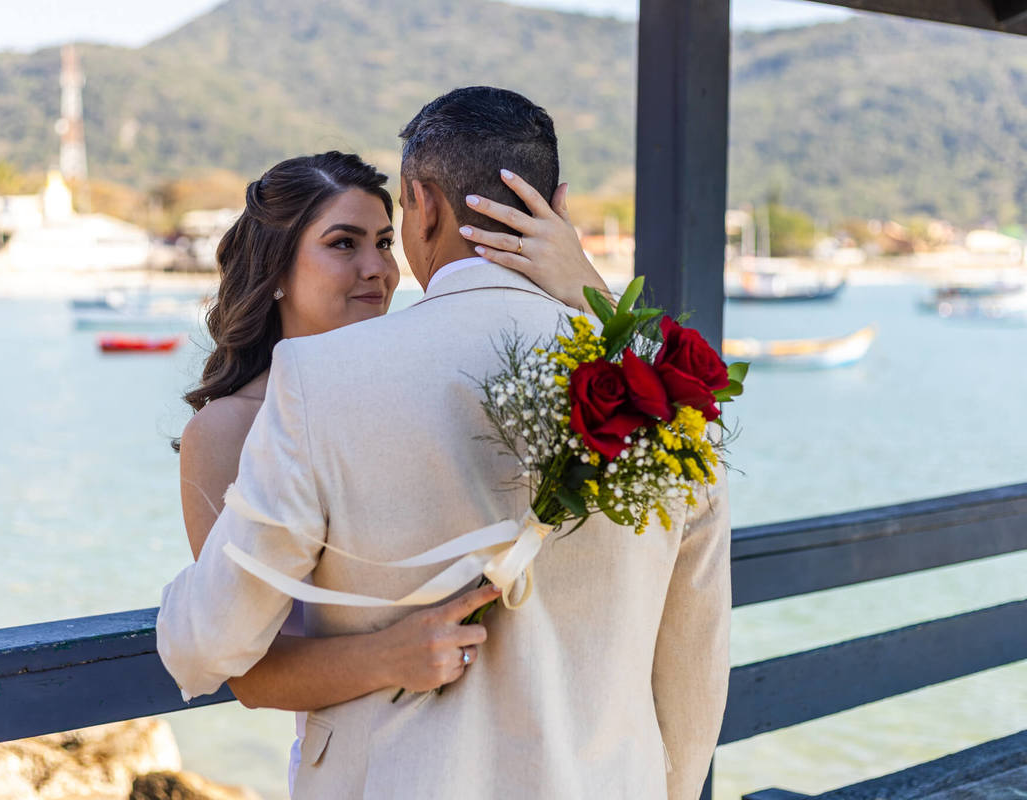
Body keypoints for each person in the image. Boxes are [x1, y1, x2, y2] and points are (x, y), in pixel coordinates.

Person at [159, 87, 730, 800]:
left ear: (419, 204)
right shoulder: (666, 391)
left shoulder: (316, 384)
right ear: (559, 203)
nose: (375, 265)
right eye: (343, 244)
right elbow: (695, 659)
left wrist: (180, 611)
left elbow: (211, 643)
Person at [175, 149, 609, 796]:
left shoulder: (421, 380)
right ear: (274, 272)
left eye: (384, 240)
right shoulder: (225, 431)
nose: (377, 268)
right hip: (361, 767)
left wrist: (584, 286)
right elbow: (246, 670)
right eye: (342, 244)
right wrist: (393, 657)